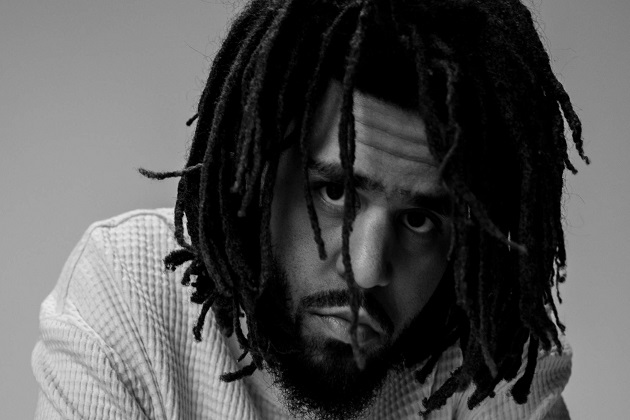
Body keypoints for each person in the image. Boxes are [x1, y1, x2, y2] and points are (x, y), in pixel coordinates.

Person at [32, 0, 589, 418]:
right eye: (336, 193)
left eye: (419, 221)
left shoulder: (493, 366)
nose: (367, 269)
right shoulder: (130, 294)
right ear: (256, 173)